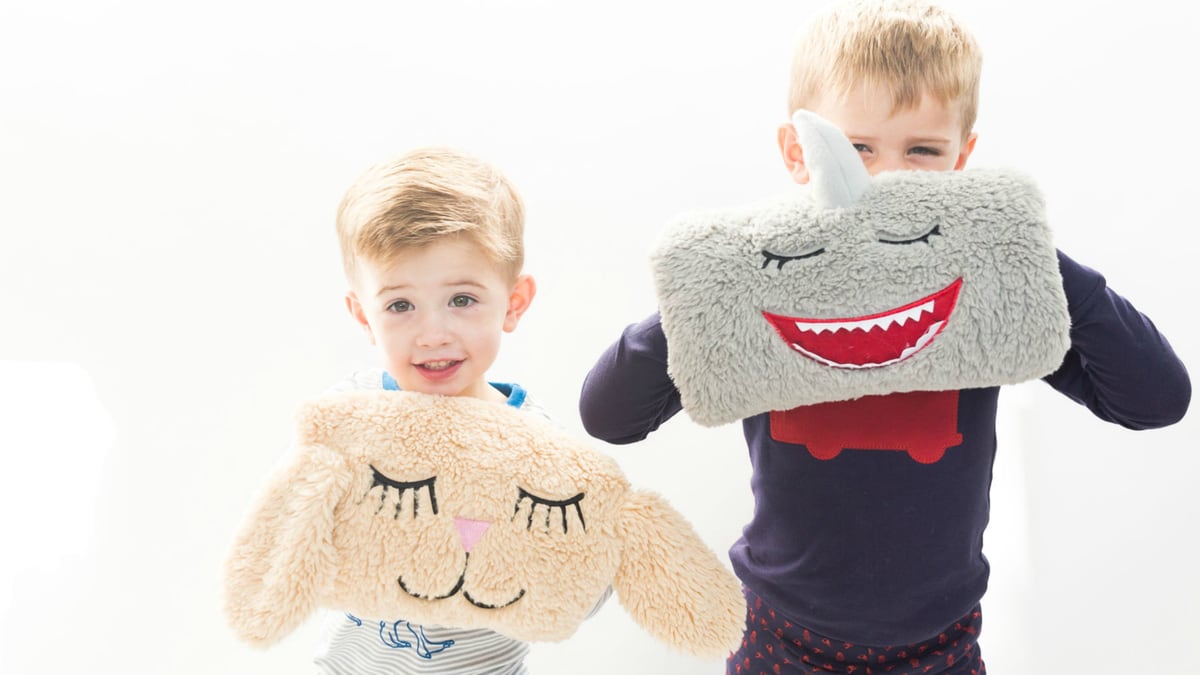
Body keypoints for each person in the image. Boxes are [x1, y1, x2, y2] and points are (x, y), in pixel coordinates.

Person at [576, 2, 1191, 674]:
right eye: (856, 149)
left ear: (962, 159)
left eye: (922, 151)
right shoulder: (764, 286)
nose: (887, 178)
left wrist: (1024, 250)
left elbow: (1153, 400)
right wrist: (720, 282)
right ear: (798, 153)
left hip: (940, 645)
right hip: (778, 636)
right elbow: (611, 417)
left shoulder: (982, 286)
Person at [312, 146, 545, 674]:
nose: (433, 334)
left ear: (513, 303)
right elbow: (294, 523)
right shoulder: (350, 412)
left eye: (462, 299)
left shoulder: (534, 445)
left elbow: (575, 583)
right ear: (364, 316)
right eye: (400, 306)